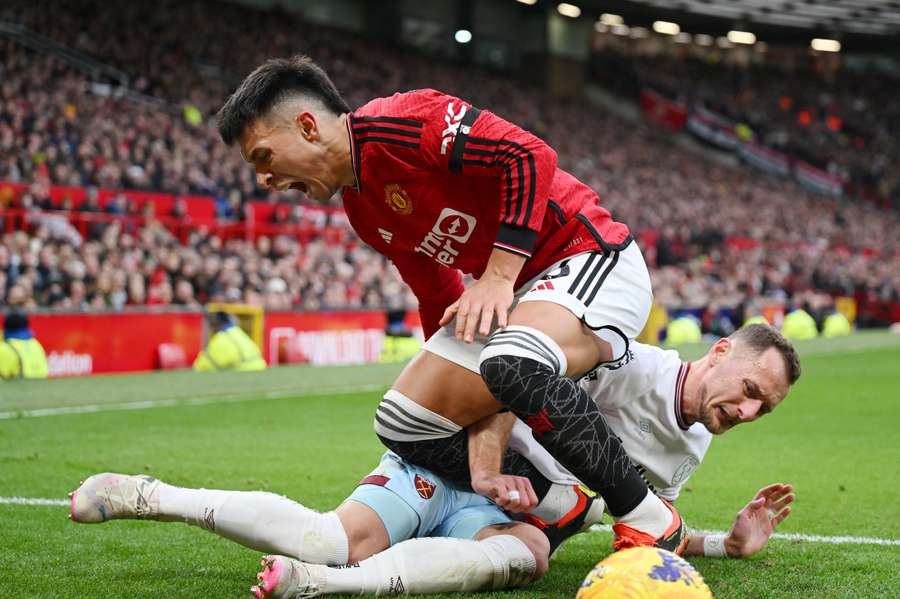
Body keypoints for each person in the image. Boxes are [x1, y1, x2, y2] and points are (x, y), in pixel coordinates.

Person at [216, 55, 679, 552]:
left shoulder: (403, 121)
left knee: (510, 361)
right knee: (404, 421)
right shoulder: (364, 210)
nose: (264, 179)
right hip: (524, 298)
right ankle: (558, 503)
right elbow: (439, 298)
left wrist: (499, 275)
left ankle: (647, 515)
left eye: (263, 156)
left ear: (308, 127)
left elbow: (529, 157)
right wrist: (470, 421)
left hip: (590, 256)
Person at [69, 324, 798, 595]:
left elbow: (632, 522)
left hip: (507, 520)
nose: (748, 411)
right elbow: (508, 370)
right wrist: (487, 468)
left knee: (530, 557)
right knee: (330, 536)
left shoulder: (693, 443)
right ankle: (152, 493)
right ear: (723, 351)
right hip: (453, 465)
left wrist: (721, 544)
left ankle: (323, 587)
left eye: (764, 409)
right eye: (750, 391)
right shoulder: (621, 356)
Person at [192, 311, 267, 372]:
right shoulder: (238, 332)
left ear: (215, 324)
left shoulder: (221, 339)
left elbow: (202, 366)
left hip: (247, 372)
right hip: (261, 368)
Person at [0, 311, 49, 380]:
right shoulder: (35, 343)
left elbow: (4, 373)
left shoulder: (5, 347)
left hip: (20, 385)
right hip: (42, 383)